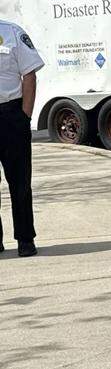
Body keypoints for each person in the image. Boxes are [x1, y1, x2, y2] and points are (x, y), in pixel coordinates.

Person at [0, 19, 43, 258]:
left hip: (10, 116)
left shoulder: (12, 33)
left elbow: (29, 74)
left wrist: (25, 115)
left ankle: (25, 239)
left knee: (20, 182)